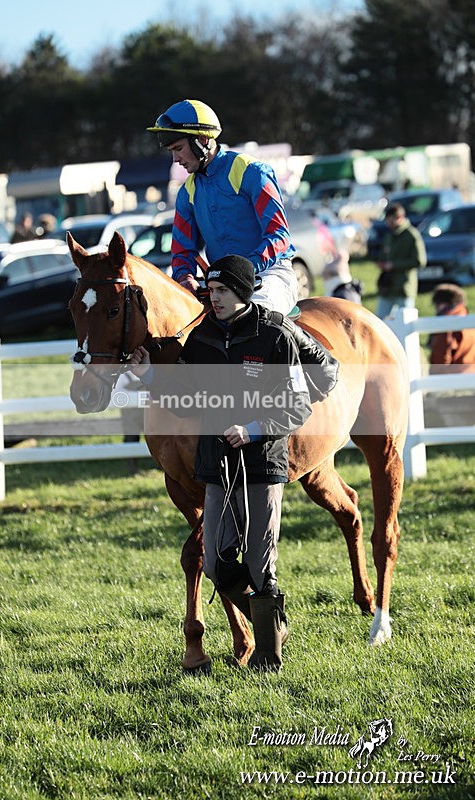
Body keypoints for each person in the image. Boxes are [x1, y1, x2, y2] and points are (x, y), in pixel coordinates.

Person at [130, 255, 313, 671]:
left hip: (261, 464)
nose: (214, 298)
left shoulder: (275, 335)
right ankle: (272, 622)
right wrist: (149, 377)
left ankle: (267, 658)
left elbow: (298, 406)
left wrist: (254, 429)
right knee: (215, 561)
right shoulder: (202, 339)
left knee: (259, 563)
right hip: (217, 466)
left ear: (243, 292)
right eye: (211, 291)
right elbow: (184, 398)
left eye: (223, 291)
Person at [147, 99, 299, 315]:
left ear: (202, 140)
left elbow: (279, 237)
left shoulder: (253, 172)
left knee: (250, 319)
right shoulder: (186, 193)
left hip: (270, 274)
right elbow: (182, 251)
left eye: (178, 149)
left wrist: (242, 270)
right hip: (220, 284)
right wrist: (185, 277)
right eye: (171, 151)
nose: (175, 159)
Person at [375, 202, 426, 319]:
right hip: (387, 288)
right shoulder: (389, 236)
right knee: (380, 321)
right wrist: (382, 263)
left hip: (404, 287)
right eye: (387, 220)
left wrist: (394, 265)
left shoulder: (412, 235)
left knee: (406, 320)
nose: (388, 223)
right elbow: (383, 255)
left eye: (391, 220)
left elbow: (420, 261)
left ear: (399, 218)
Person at [429, 284, 475, 373]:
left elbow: (441, 355)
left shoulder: (446, 324)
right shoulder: (468, 320)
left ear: (442, 304)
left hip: (453, 375)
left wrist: (434, 375)